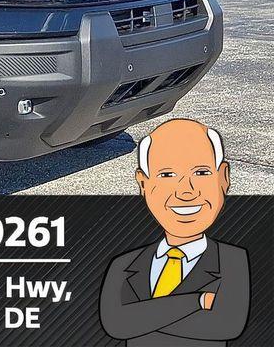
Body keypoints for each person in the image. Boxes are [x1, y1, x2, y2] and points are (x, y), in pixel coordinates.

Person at [99, 119, 250, 346]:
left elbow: (226, 324)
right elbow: (115, 324)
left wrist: (140, 318)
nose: (186, 191)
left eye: (201, 172)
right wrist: (196, 302)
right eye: (167, 175)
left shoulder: (232, 260)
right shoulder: (123, 264)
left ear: (224, 178)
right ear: (143, 184)